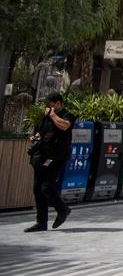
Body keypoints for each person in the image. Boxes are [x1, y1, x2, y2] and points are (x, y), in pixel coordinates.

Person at [25, 92, 73, 232]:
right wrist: (35, 138)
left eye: (50, 104)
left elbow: (64, 126)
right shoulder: (45, 118)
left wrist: (52, 115)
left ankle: (63, 209)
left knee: (46, 187)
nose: (47, 107)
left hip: (56, 157)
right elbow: (40, 132)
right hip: (42, 157)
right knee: (37, 189)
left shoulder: (67, 115)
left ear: (58, 103)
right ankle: (41, 222)